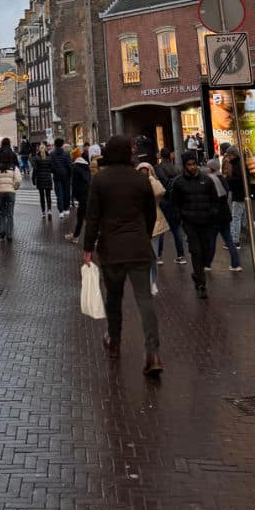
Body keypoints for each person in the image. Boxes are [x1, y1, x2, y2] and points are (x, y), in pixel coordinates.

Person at [83, 135, 163, 377]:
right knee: (145, 300)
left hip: (112, 249)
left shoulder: (100, 180)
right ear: (128, 152)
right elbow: (151, 215)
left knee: (114, 299)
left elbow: (93, 216)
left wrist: (88, 248)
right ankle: (153, 353)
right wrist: (144, 236)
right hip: (139, 247)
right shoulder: (141, 180)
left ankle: (115, 341)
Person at [168, 152, 219, 298]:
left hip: (206, 220)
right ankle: (202, 283)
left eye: (193, 164)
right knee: (196, 251)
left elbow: (214, 199)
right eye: (189, 164)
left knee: (207, 251)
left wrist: (213, 212)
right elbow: (174, 203)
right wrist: (179, 217)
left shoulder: (206, 180)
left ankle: (197, 274)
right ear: (184, 166)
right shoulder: (178, 182)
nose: (192, 167)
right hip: (190, 222)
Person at [222, 143, 255, 250]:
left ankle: (235, 242)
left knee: (235, 218)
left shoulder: (238, 165)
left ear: (233, 155)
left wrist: (227, 179)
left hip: (239, 195)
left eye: (229, 155)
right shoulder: (239, 163)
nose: (227, 157)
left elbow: (240, 180)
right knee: (247, 221)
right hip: (242, 195)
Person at [135, 155, 170, 294]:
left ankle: (152, 281)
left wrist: (150, 178)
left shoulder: (154, 182)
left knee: (153, 255)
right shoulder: (134, 185)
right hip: (138, 224)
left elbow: (160, 192)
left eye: (146, 170)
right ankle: (145, 281)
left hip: (155, 223)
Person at [204, 157, 242, 272]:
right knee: (229, 240)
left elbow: (210, 198)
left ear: (210, 168)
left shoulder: (211, 179)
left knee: (211, 241)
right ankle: (236, 264)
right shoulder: (222, 178)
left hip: (215, 216)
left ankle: (207, 264)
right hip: (225, 214)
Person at [154, 148, 186, 265]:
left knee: (161, 229)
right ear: (170, 156)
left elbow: (164, 182)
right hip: (175, 201)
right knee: (176, 229)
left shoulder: (159, 168)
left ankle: (159, 255)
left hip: (164, 200)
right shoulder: (176, 168)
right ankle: (181, 255)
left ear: (161, 156)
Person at [0, 149, 22, 242]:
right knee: (10, 213)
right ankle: (9, 233)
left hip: (0, 192)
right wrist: (14, 187)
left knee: (2, 212)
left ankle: (2, 231)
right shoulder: (14, 167)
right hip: (10, 192)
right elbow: (18, 180)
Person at [65, 146, 91, 244]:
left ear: (75, 157)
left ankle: (76, 237)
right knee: (83, 216)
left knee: (82, 217)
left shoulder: (75, 167)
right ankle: (75, 235)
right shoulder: (86, 165)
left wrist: (76, 196)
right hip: (88, 194)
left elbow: (75, 183)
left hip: (82, 196)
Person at [50, 137, 72, 217]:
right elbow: (69, 165)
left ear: (55, 144)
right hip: (66, 176)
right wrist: (70, 175)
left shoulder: (51, 154)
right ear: (62, 144)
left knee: (59, 193)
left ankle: (61, 211)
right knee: (66, 192)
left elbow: (51, 166)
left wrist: (54, 171)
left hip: (57, 176)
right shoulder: (66, 154)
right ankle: (66, 208)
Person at [31, 144, 54, 218]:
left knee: (41, 197)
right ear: (45, 149)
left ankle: (43, 212)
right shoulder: (49, 158)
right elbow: (52, 169)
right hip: (47, 179)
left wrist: (33, 179)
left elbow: (35, 170)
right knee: (48, 196)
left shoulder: (36, 158)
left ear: (39, 149)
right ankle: (49, 210)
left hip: (40, 179)